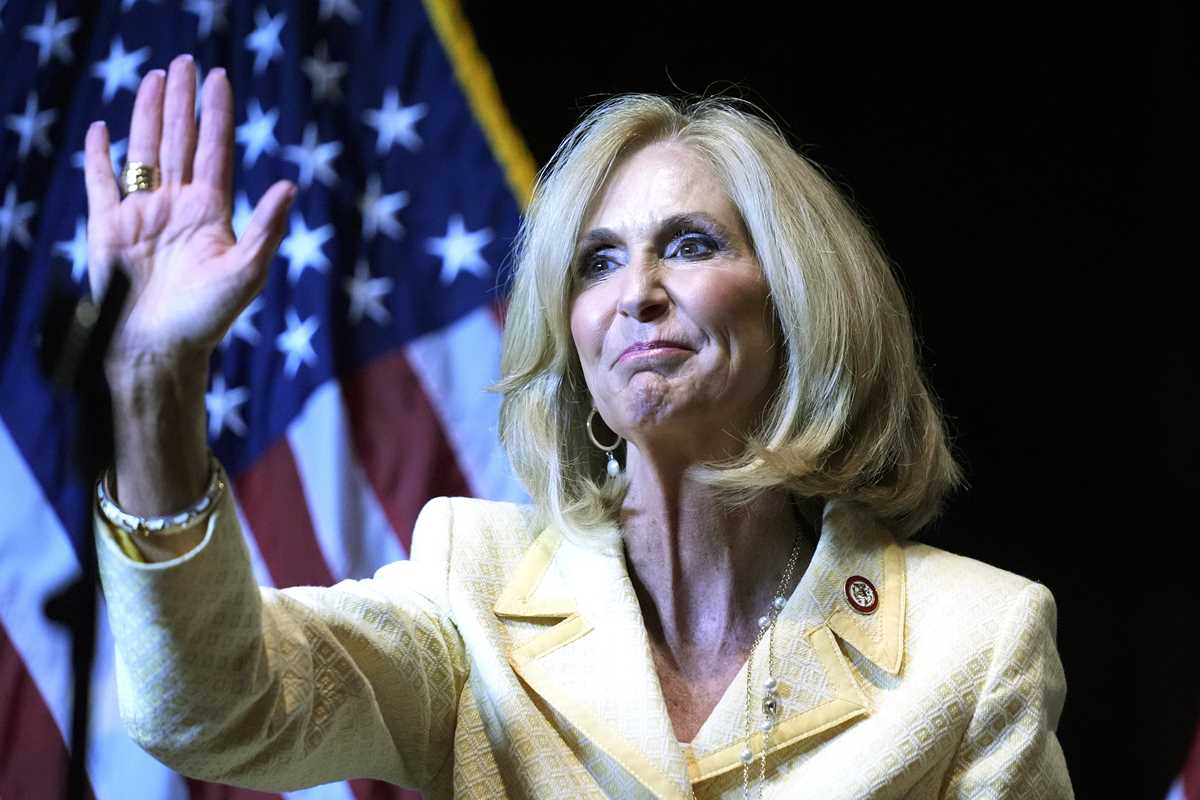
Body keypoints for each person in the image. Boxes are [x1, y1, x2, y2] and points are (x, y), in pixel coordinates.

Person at [88, 54, 1074, 799]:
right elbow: (216, 708)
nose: (636, 292)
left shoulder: (975, 642)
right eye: (598, 261)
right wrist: (150, 381)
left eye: (690, 245)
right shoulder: (471, 586)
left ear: (797, 306)